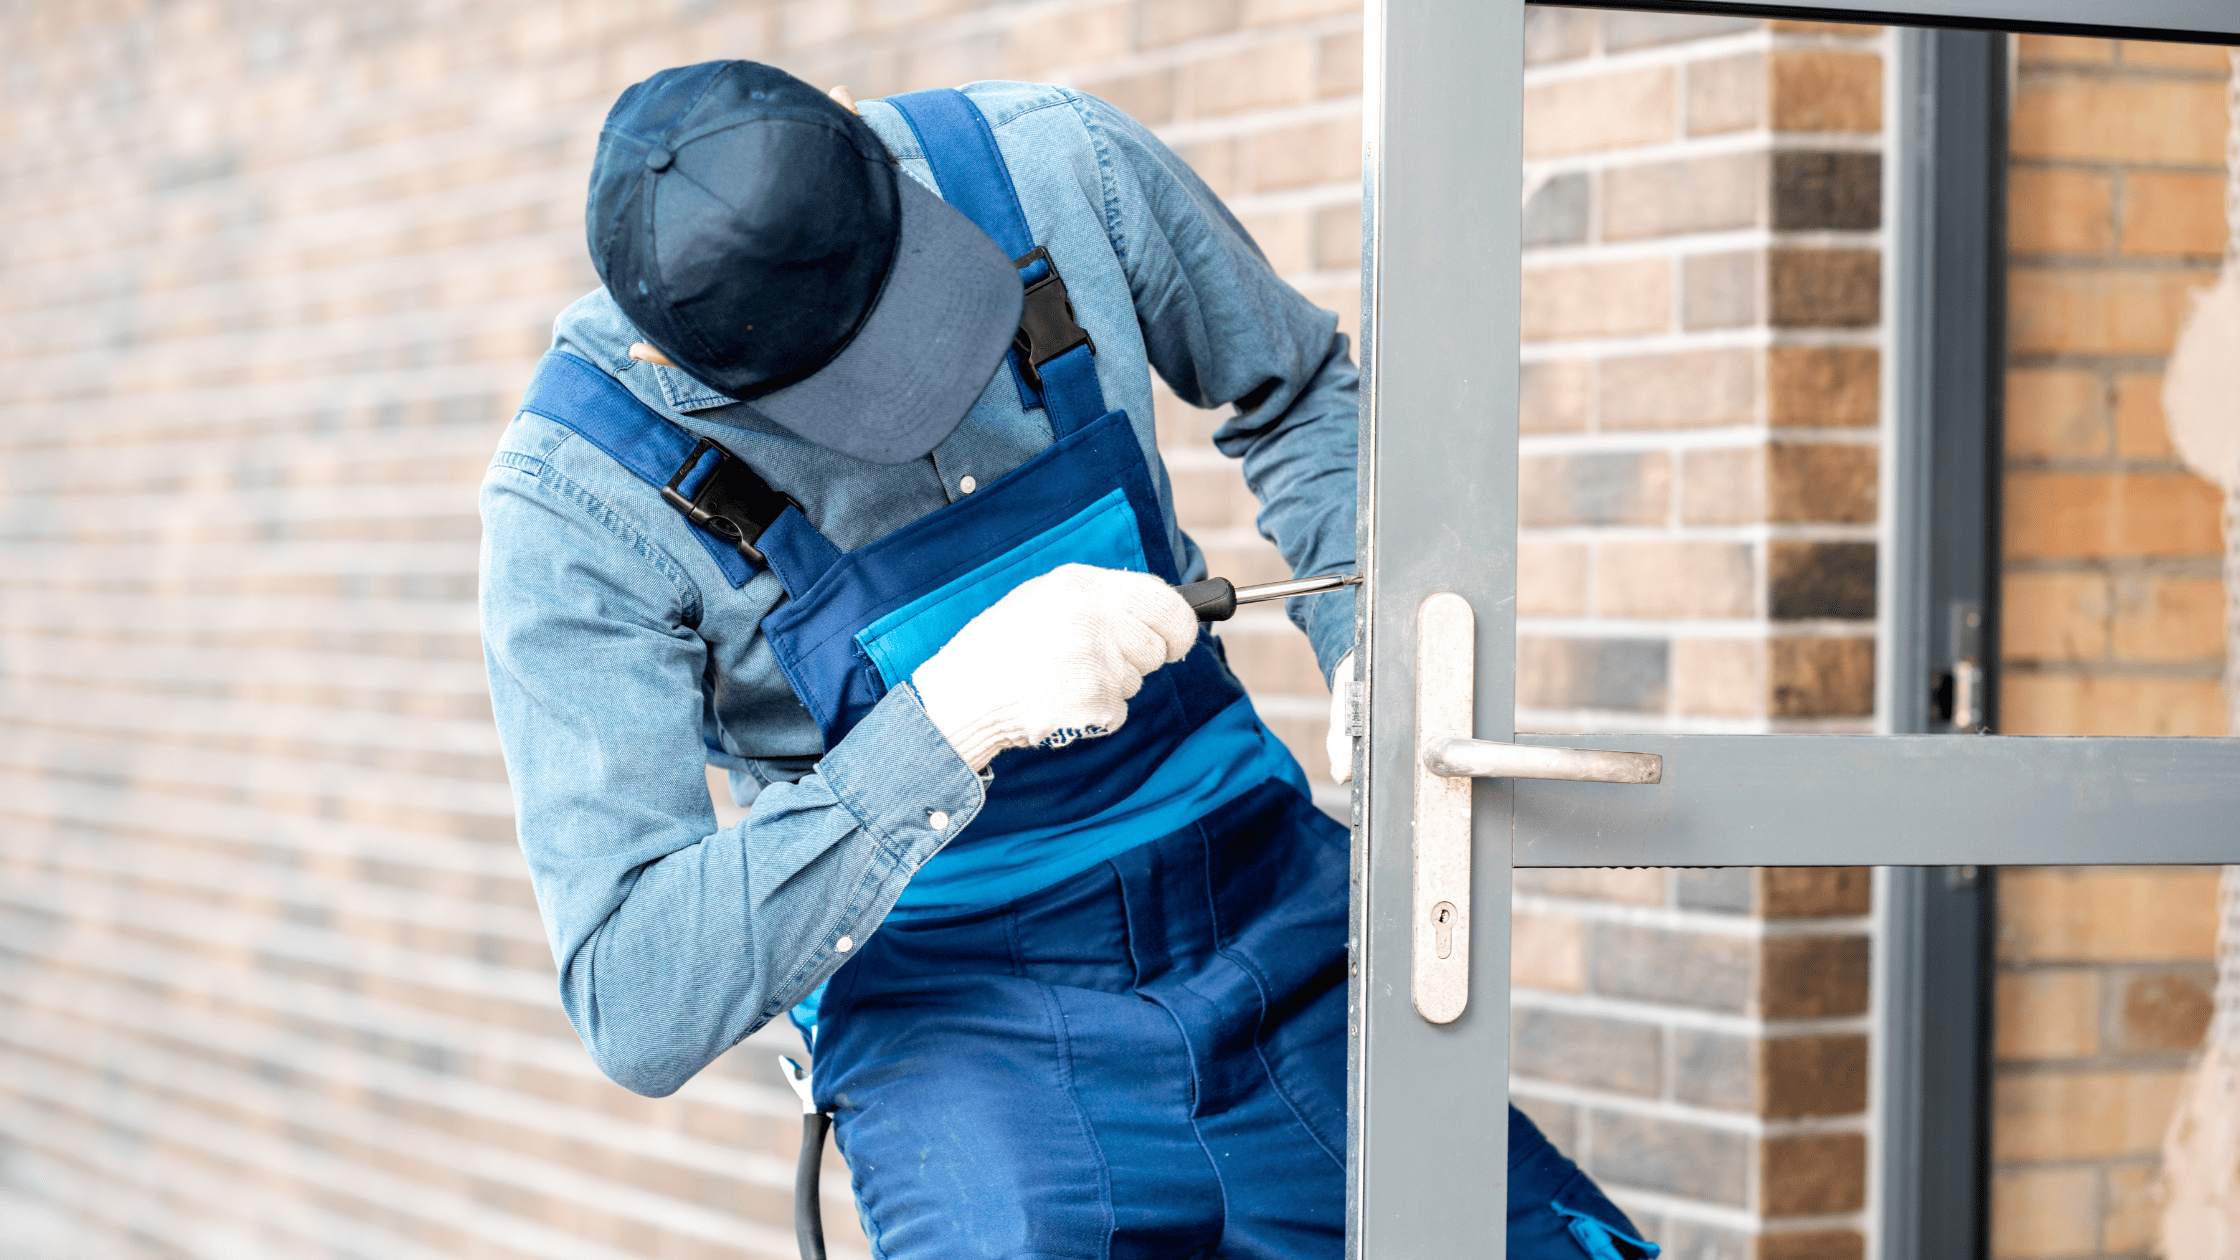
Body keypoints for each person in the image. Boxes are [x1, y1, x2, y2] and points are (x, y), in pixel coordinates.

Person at [479, 59, 1657, 1260]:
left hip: (1264, 904)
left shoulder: (1056, 167)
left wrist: (1377, 645)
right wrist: (949, 724)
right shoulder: (577, 506)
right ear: (700, 375)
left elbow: (1297, 391)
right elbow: (635, 998)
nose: (931, 398)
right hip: (959, 1026)